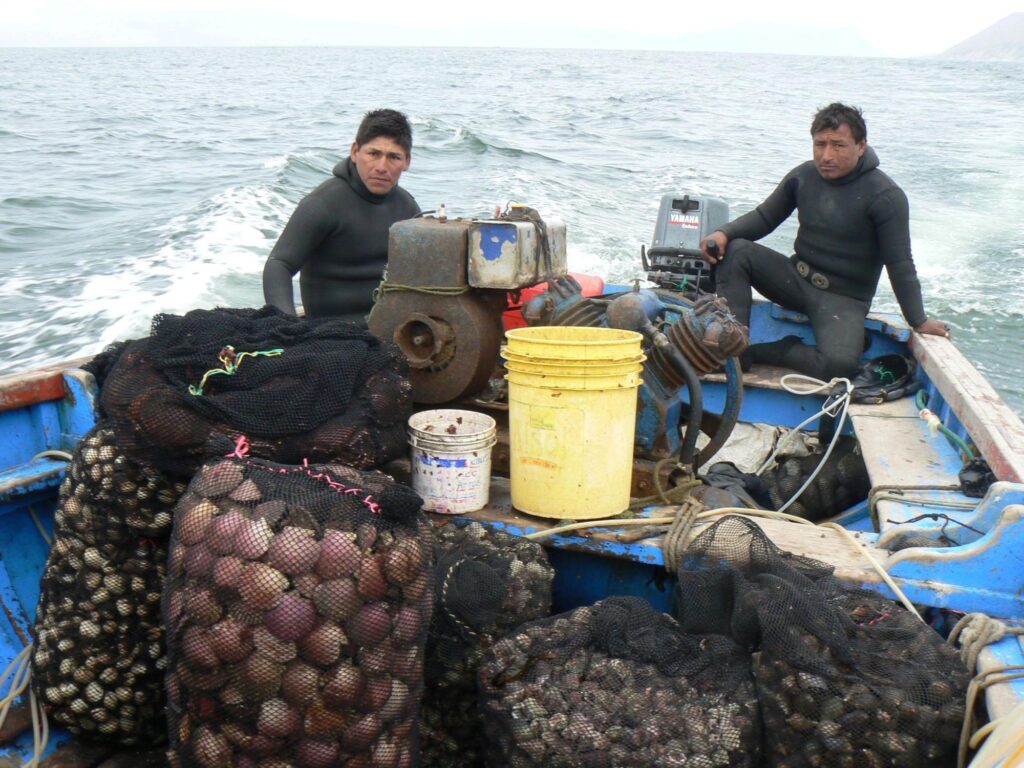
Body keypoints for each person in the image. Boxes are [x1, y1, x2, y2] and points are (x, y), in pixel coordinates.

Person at [700, 102, 950, 381]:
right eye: (819, 144)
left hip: (843, 300)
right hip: (795, 279)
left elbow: (900, 263)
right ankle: (732, 349)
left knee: (838, 366)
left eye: (838, 145)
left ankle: (775, 352)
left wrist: (918, 320)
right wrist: (723, 233)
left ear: (861, 145)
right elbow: (764, 217)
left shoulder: (886, 197)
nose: (826, 155)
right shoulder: (803, 176)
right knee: (735, 251)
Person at [263, 108, 421, 324]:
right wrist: (288, 325)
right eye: (373, 154)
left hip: (388, 328)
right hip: (330, 332)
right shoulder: (323, 204)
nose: (382, 167)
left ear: (407, 162)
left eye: (394, 157)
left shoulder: (408, 208)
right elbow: (278, 265)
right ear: (355, 152)